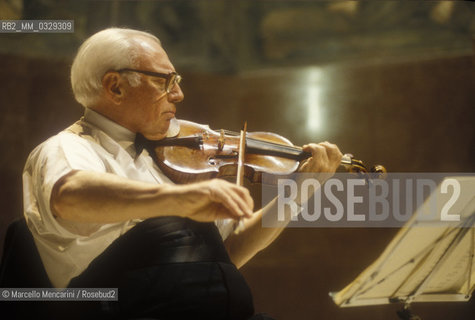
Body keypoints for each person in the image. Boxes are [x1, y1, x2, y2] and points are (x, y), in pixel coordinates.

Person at [23, 28, 342, 319]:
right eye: (165, 81)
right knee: (169, 227)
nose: (178, 95)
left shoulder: (170, 158)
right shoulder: (66, 147)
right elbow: (70, 194)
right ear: (115, 86)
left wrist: (300, 191)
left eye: (177, 82)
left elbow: (226, 255)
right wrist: (180, 200)